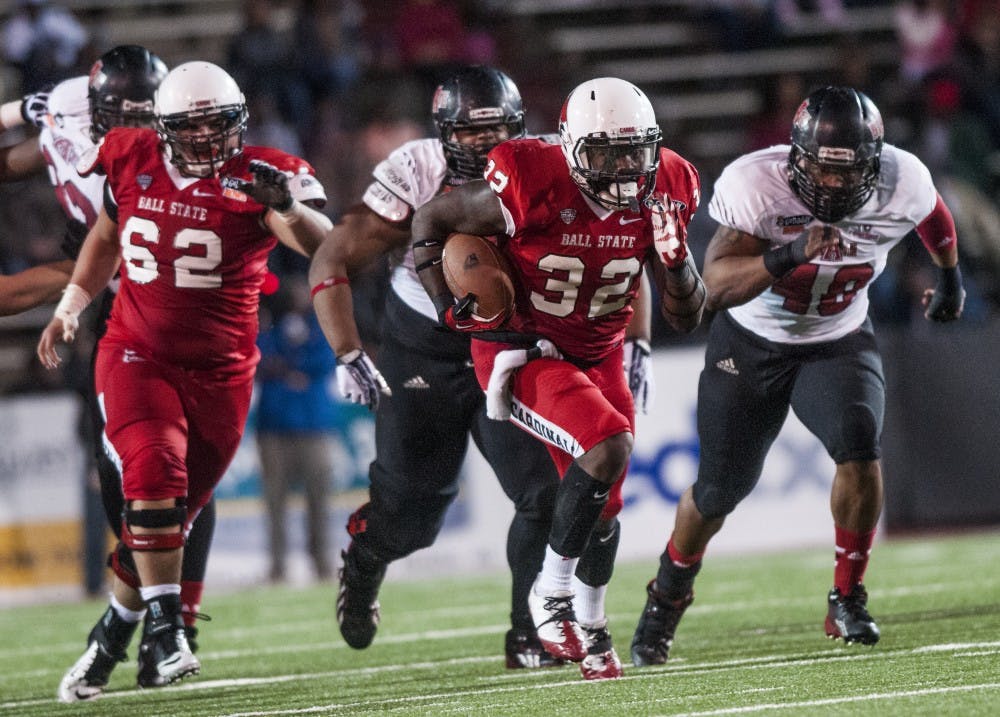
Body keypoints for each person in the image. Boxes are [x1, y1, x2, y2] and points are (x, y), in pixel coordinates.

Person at [629, 86, 966, 667]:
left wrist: (951, 277)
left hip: (837, 338)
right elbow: (715, 286)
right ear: (796, 156)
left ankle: (847, 596)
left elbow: (932, 212)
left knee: (860, 449)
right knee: (717, 492)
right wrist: (789, 254)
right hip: (753, 340)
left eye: (848, 170)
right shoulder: (756, 184)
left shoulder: (901, 178)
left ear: (874, 161)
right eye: (821, 169)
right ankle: (667, 596)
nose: (833, 185)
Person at [36, 60, 333, 699]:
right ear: (162, 127)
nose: (204, 140)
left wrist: (284, 204)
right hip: (135, 351)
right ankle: (170, 630)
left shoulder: (259, 175)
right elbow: (106, 235)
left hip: (223, 374)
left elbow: (323, 244)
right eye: (190, 128)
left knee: (171, 518)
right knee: (153, 470)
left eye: (216, 126)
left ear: (239, 123)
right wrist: (71, 305)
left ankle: (112, 633)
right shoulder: (130, 154)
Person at [409, 77, 706, 679]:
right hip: (525, 347)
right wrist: (447, 305)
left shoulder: (668, 183)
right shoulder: (528, 179)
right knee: (607, 446)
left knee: (606, 510)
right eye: (608, 153)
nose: (626, 167)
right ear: (572, 150)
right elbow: (430, 220)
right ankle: (549, 595)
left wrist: (677, 265)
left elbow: (687, 315)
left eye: (636, 151)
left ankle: (593, 631)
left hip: (599, 351)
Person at [309, 65, 571, 670]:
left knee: (547, 494)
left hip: (507, 346)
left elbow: (614, 241)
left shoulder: (546, 165)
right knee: (411, 518)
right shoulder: (418, 171)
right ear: (443, 134)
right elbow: (332, 255)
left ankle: (528, 633)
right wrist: (349, 350)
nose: (484, 146)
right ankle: (367, 559)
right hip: (425, 349)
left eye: (497, 132)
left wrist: (631, 343)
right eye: (470, 134)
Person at [0, 45, 225, 699]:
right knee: (120, 480)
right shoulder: (70, 102)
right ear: (96, 106)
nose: (131, 126)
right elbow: (27, 145)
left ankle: (172, 621)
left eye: (142, 116)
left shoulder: (150, 172)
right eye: (119, 114)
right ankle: (155, 618)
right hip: (106, 310)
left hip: (165, 300)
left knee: (176, 471)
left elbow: (79, 274)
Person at [256, 274, 339, 582]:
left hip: (313, 427)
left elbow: (325, 361)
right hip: (275, 427)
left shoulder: (321, 329)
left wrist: (286, 366)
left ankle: (322, 563)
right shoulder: (272, 330)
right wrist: (291, 366)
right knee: (275, 502)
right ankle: (278, 566)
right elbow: (257, 358)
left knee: (319, 500)